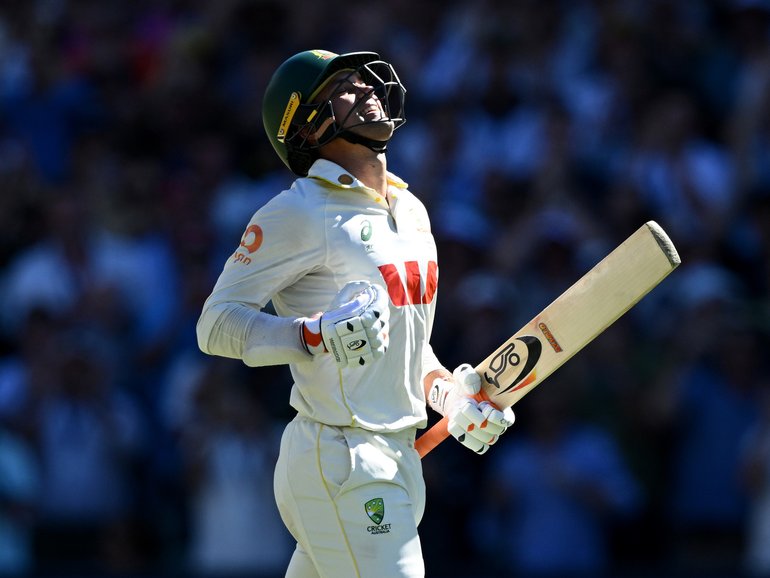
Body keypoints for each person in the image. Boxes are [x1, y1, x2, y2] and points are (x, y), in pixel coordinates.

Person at [196, 49, 515, 578]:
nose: (367, 87)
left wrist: (450, 397)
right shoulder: (296, 211)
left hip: (399, 455)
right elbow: (216, 324)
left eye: (361, 78)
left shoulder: (411, 210)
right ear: (307, 125)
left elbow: (408, 350)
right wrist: (313, 335)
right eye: (343, 85)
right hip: (338, 456)